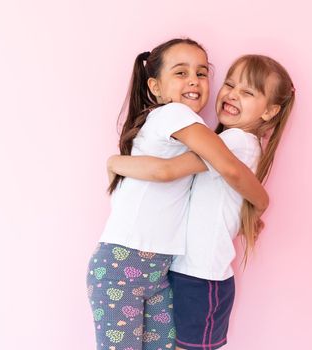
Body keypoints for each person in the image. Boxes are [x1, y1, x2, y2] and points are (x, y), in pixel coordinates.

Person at [87, 38, 268, 350]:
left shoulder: (182, 125)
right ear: (156, 87)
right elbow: (185, 169)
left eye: (201, 73)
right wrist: (263, 202)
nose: (194, 81)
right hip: (124, 263)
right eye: (181, 73)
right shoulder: (174, 115)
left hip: (156, 268)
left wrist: (115, 162)